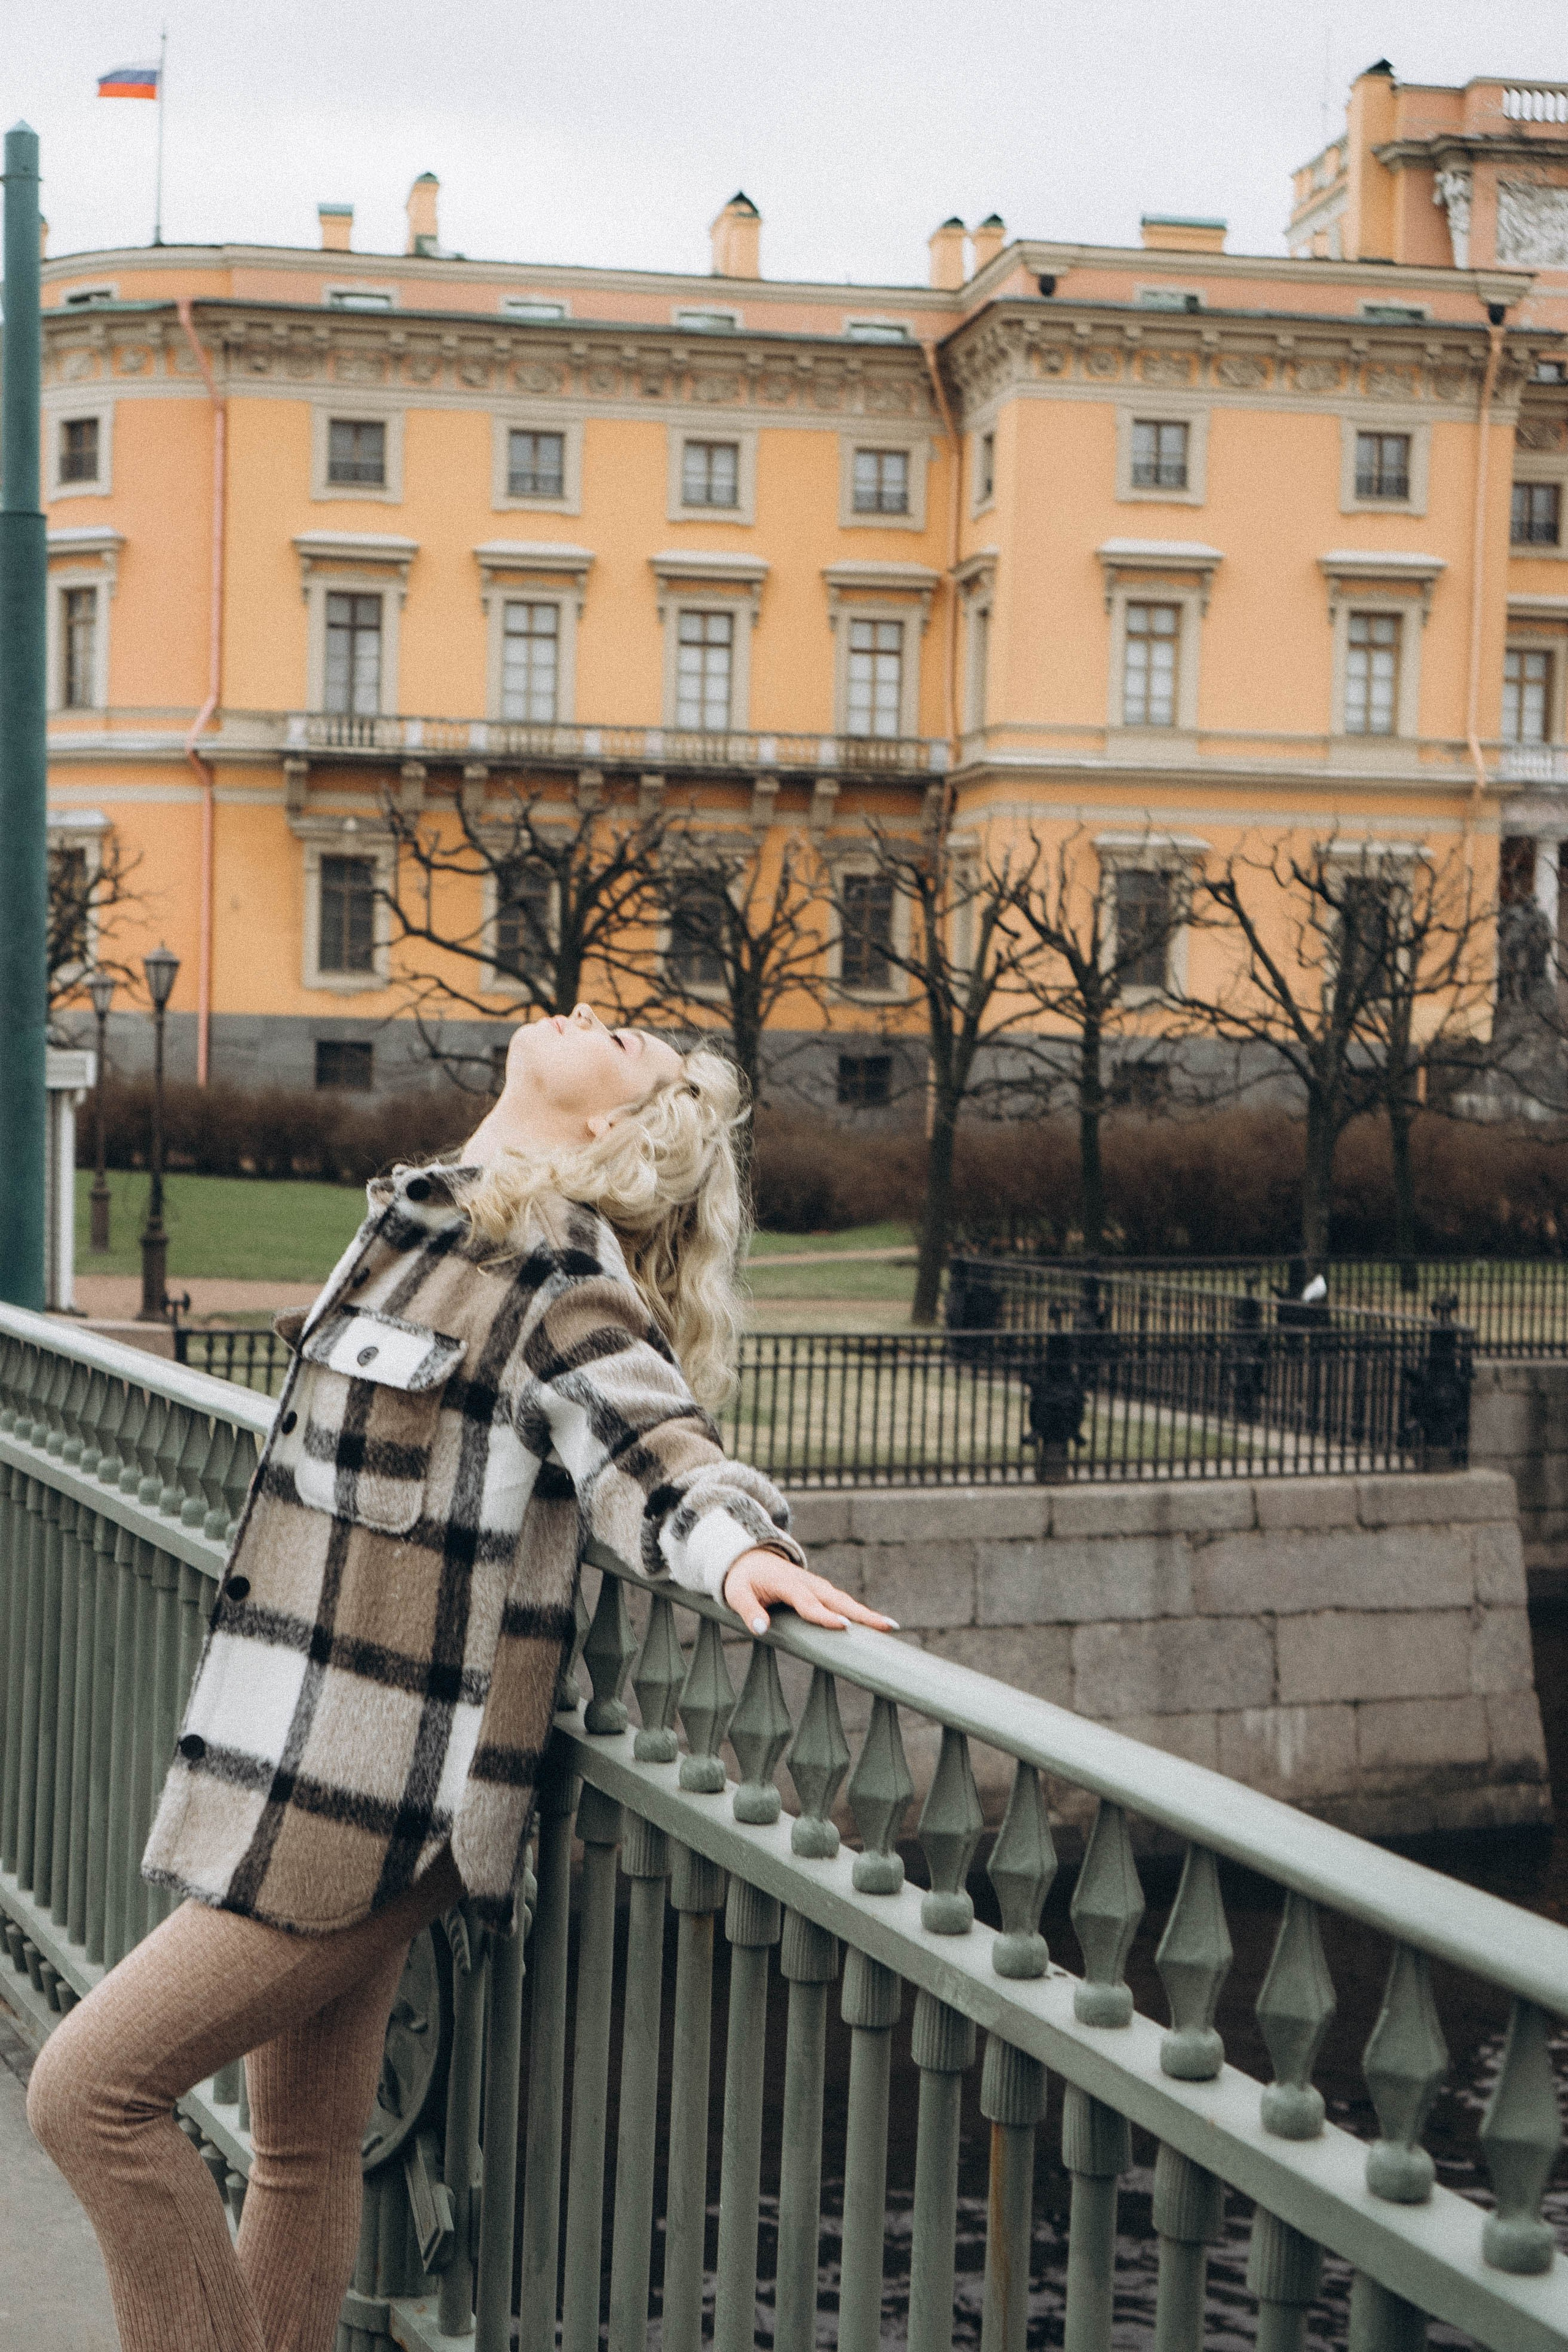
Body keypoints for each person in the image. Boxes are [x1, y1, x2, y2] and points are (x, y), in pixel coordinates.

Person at [27, 1003, 891, 2352]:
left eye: (630, 1044)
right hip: (285, 1755)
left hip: (378, 1803)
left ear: (612, 1127)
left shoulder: (559, 1277)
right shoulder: (418, 1225)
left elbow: (654, 1452)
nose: (600, 1014)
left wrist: (739, 1553)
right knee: (303, 2150)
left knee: (88, 2096)